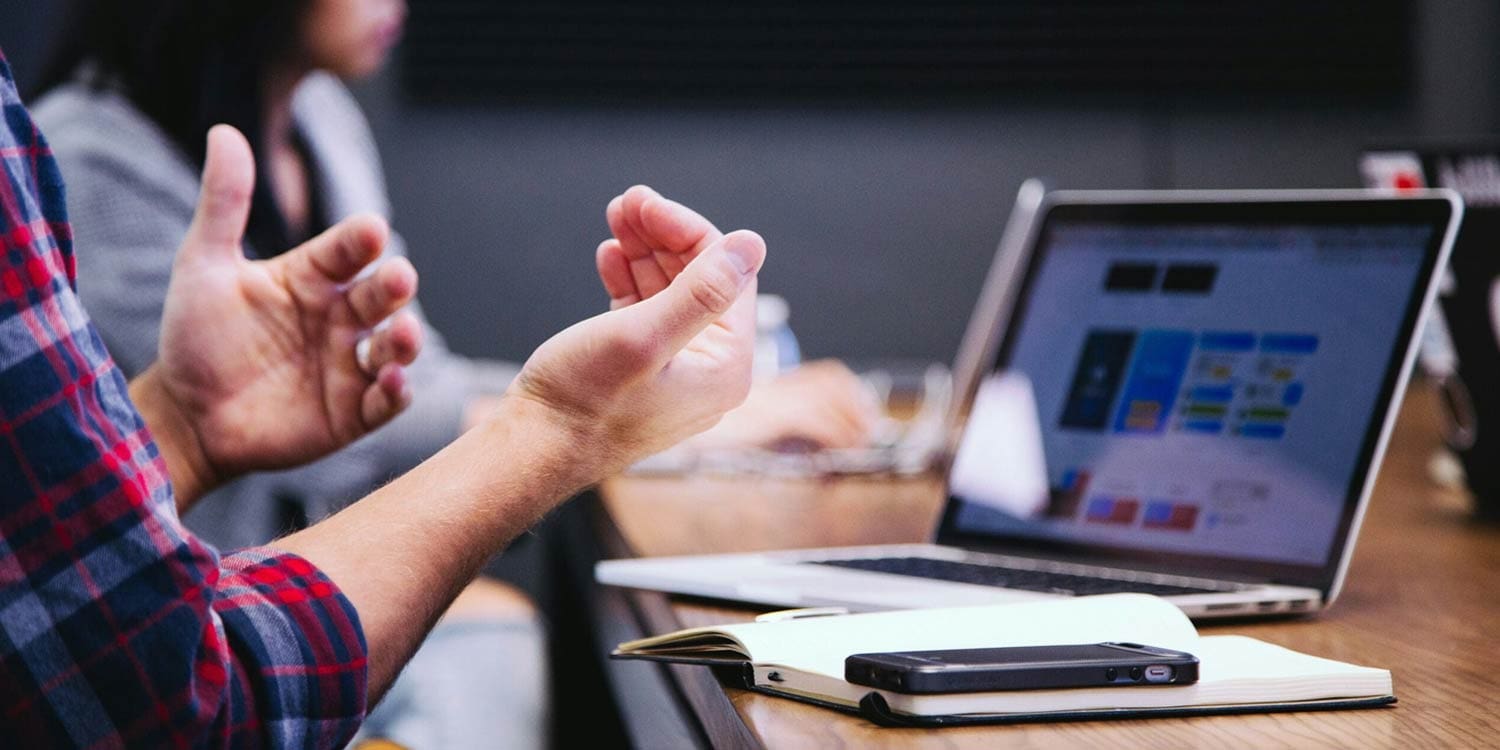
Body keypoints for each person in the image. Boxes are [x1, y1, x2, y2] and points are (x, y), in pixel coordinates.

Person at [0, 42, 769, 746]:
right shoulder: (86, 154)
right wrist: (563, 426)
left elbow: (39, 543)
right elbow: (169, 704)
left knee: (496, 648)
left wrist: (180, 425)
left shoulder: (320, 116)